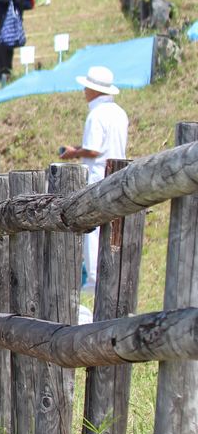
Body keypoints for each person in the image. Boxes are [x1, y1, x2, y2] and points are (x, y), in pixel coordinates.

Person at [60, 66, 128, 291]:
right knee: (113, 228)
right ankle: (110, 275)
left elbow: (94, 150)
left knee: (92, 229)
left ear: (93, 89)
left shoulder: (96, 114)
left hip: (98, 176)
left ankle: (93, 279)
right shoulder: (119, 112)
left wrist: (74, 152)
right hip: (118, 174)